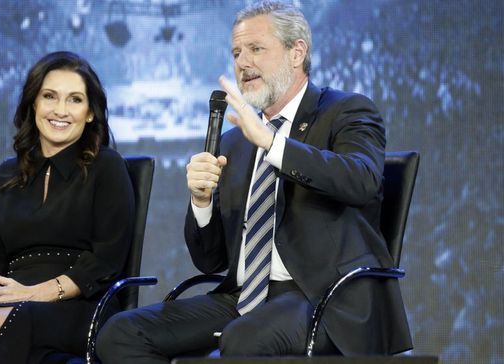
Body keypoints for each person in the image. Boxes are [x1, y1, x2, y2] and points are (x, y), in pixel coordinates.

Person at [96, 1, 412, 361]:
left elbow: (363, 180)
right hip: (243, 298)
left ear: (297, 52)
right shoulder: (234, 142)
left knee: (244, 339)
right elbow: (209, 261)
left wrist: (274, 144)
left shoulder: (347, 111)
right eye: (236, 52)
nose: (242, 63)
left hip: (324, 298)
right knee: (121, 334)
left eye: (256, 49)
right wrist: (201, 203)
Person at [0, 51, 135, 363]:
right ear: (34, 104)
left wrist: (33, 293)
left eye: (74, 99)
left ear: (89, 113)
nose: (60, 110)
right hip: (13, 299)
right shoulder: (8, 172)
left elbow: (106, 260)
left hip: (81, 304)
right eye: (49, 97)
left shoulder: (107, 166)